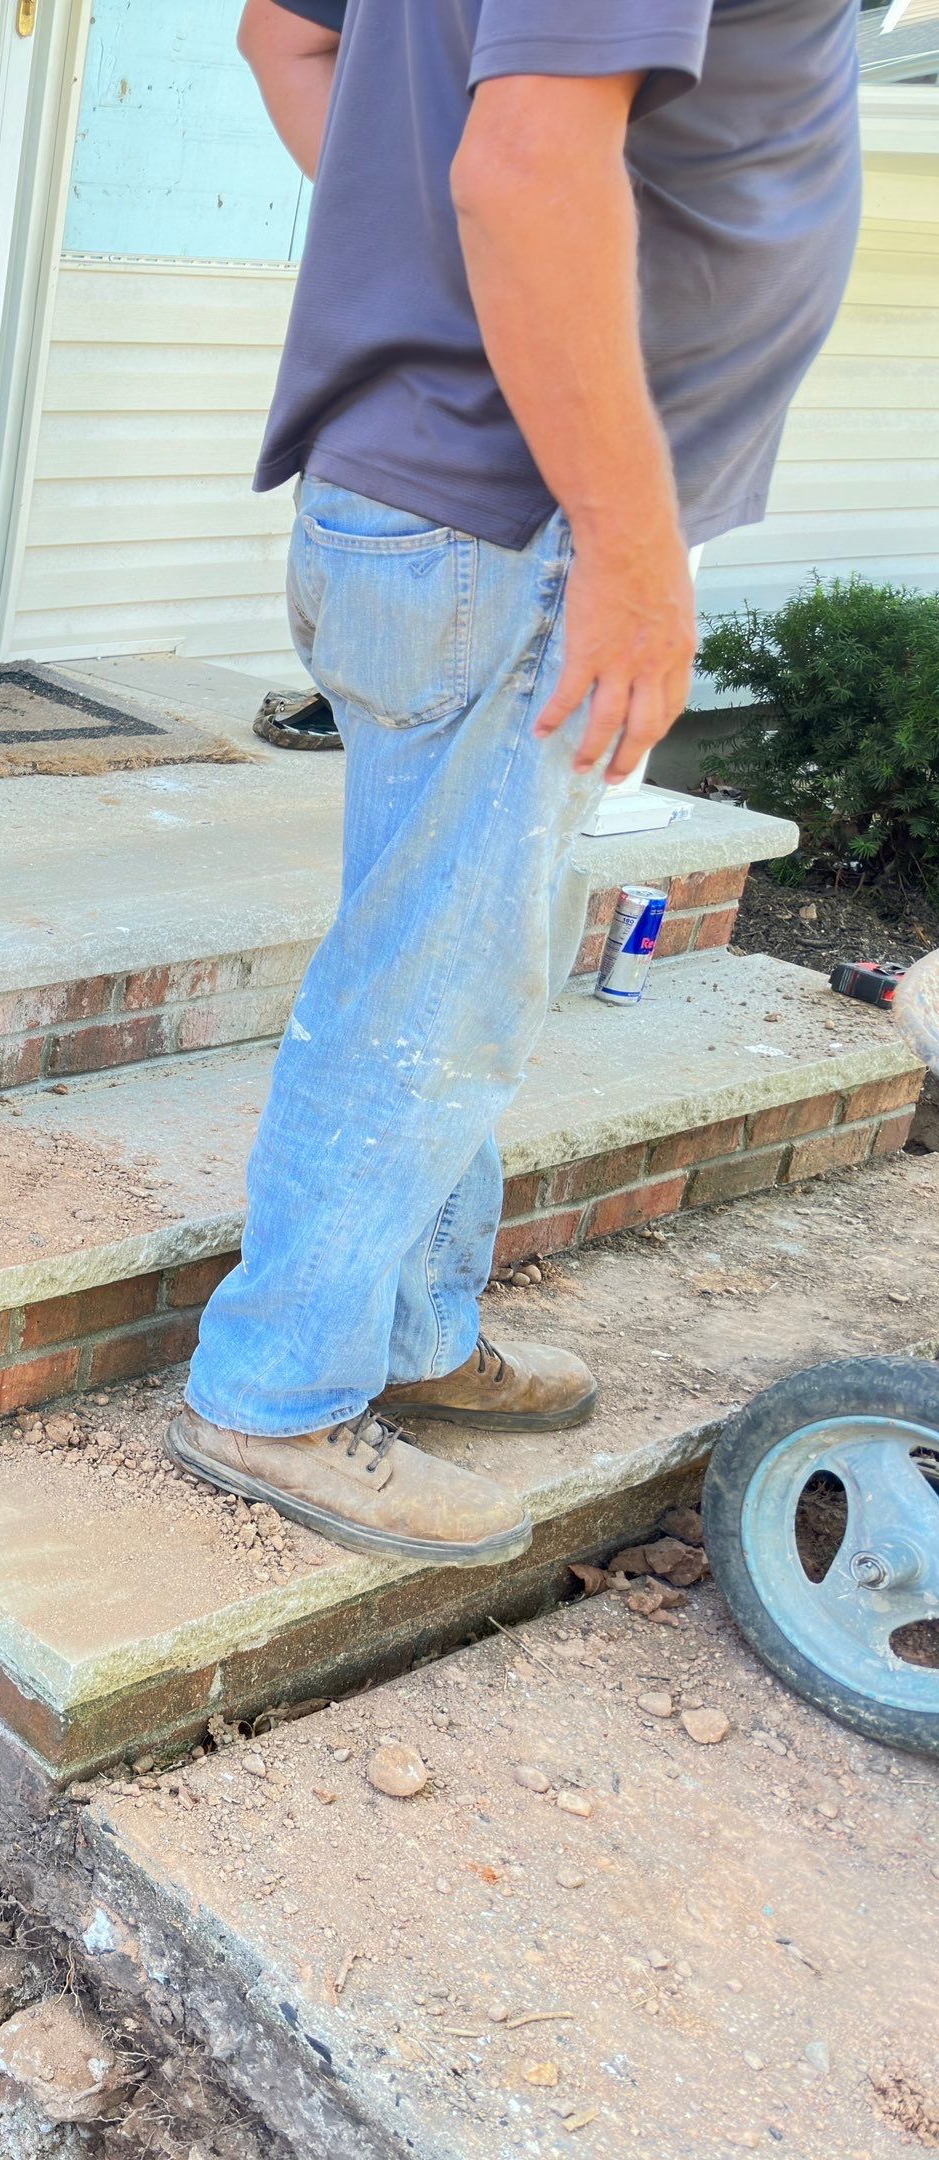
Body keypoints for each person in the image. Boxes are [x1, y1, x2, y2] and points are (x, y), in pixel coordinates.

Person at [168, 0, 862, 1564]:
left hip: (466, 497)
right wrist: (623, 535)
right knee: (436, 984)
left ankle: (412, 1328)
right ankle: (273, 1390)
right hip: (515, 513)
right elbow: (526, 163)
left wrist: (438, 272)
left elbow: (284, 38)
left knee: (458, 958)